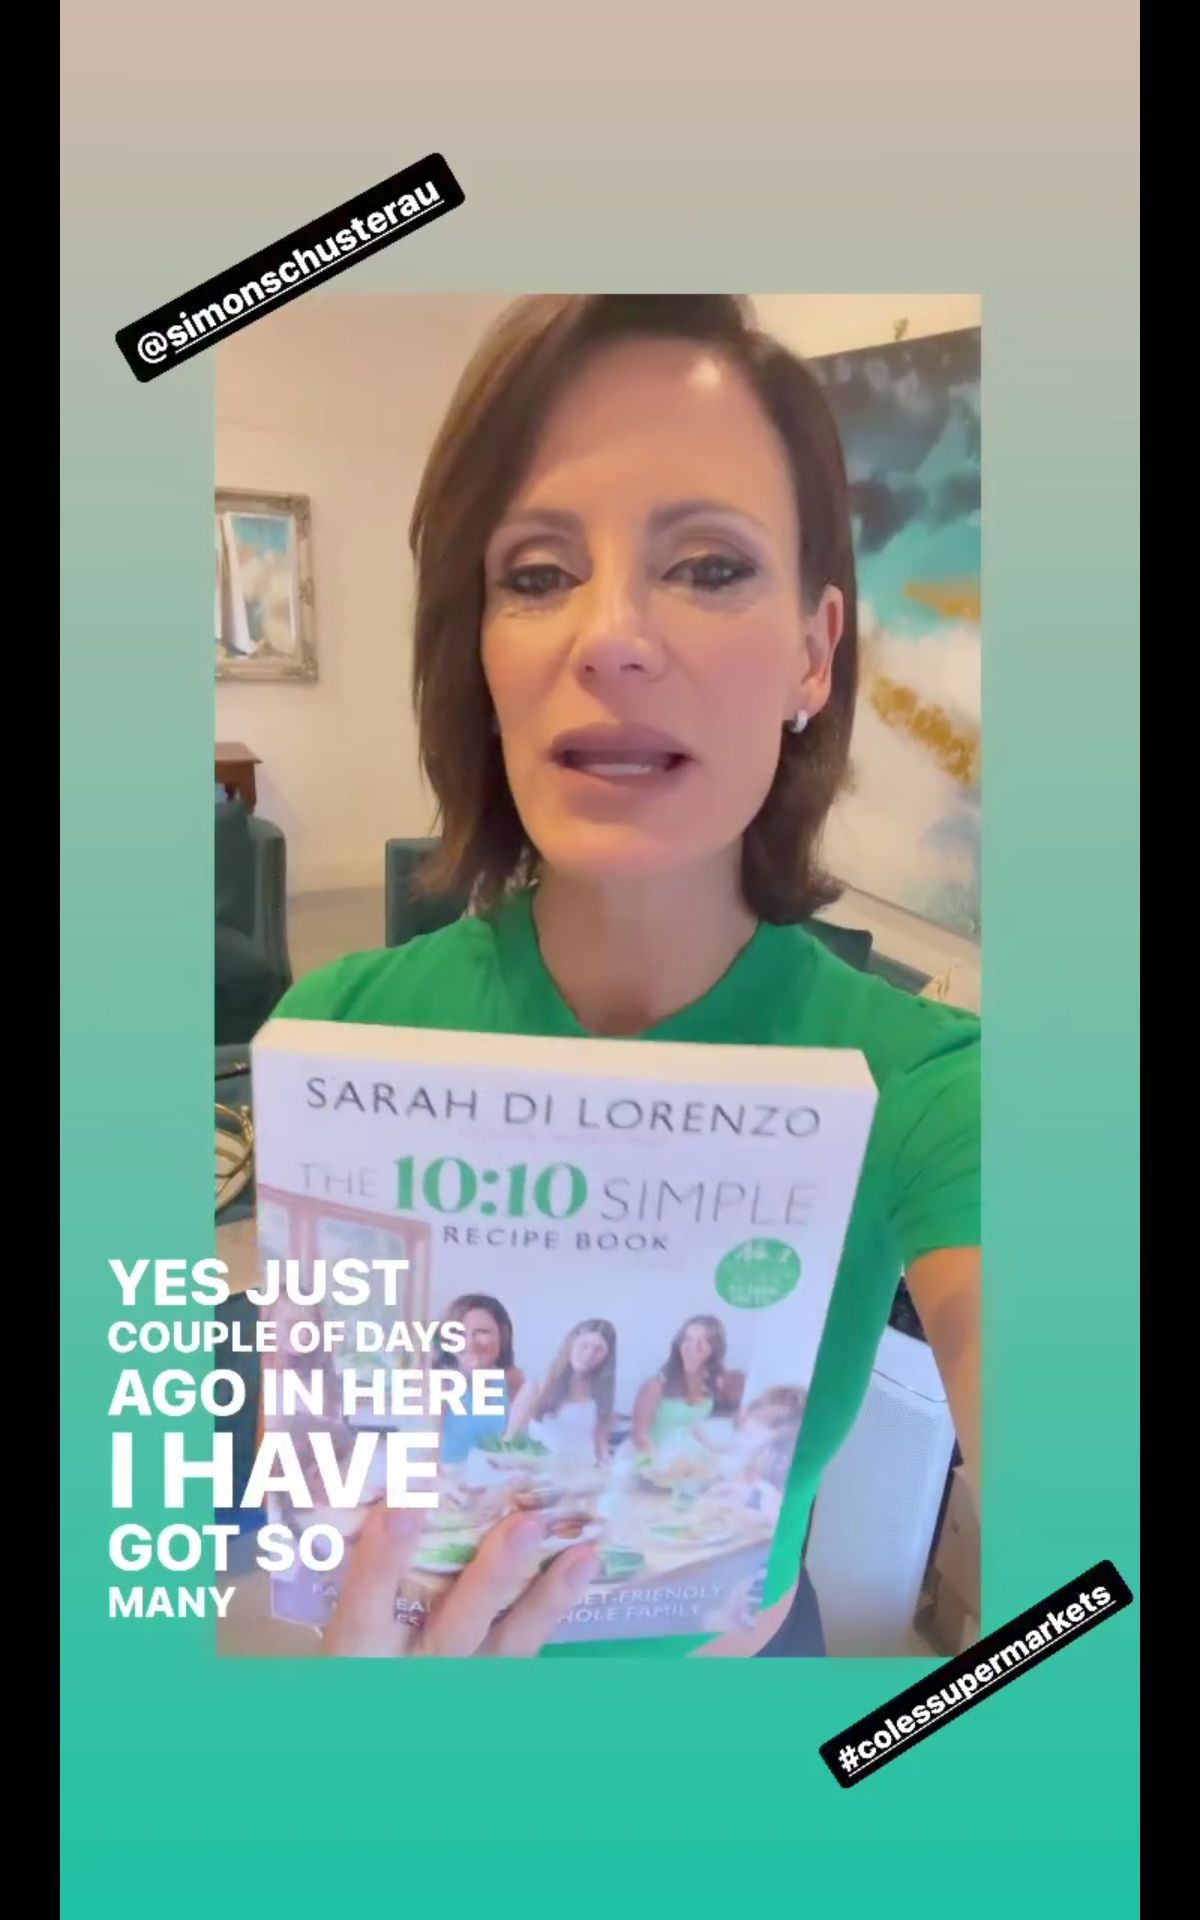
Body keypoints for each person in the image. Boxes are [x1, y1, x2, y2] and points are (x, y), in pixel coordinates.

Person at [271, 293, 981, 1660]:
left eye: (709, 566)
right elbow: (322, 1481)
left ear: (814, 651)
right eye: (537, 575)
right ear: (482, 654)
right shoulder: (341, 1039)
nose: (608, 637)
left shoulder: (924, 1087)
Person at [504, 1319, 616, 1465]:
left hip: (584, 1472)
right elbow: (510, 1439)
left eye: (598, 1349)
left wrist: (609, 1466)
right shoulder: (538, 1386)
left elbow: (601, 1446)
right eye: (584, 1346)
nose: (589, 1354)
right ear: (571, 1345)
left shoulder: (601, 1393)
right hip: (540, 1472)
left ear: (607, 1356)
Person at [433, 1295, 525, 1466]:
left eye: (482, 1332)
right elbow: (427, 1458)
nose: (470, 1343)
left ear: (502, 1337)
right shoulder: (439, 1383)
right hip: (447, 1479)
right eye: (459, 1334)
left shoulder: (513, 1380)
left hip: (494, 1478)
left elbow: (515, 1447)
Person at [630, 1315, 741, 1457]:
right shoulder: (656, 1385)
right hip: (654, 1458)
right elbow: (640, 1437)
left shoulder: (713, 1384)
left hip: (688, 1457)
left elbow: (691, 1425)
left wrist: (712, 1447)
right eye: (688, 1339)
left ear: (714, 1349)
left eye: (703, 1341)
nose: (693, 1347)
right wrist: (661, 1463)